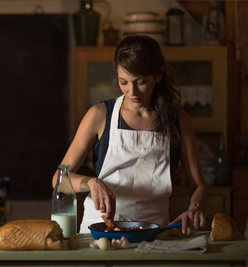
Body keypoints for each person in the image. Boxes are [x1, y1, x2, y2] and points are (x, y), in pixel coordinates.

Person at [52, 34, 207, 236]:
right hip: (99, 231)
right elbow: (58, 179)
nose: (131, 91)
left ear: (158, 76)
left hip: (153, 232)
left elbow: (198, 186)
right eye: (123, 82)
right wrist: (90, 182)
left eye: (141, 82)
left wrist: (194, 209)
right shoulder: (99, 115)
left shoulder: (178, 122)